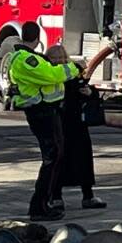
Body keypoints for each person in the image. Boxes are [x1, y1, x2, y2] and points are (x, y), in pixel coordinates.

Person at [5, 22, 79, 221]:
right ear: (37, 38)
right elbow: (51, 75)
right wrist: (73, 67)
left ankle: (42, 203)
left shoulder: (27, 58)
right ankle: (39, 207)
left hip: (45, 111)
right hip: (41, 112)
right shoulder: (27, 59)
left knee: (54, 157)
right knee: (51, 157)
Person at [46, 45, 106, 210]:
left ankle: (88, 195)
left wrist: (89, 92)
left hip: (77, 123)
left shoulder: (73, 74)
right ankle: (56, 196)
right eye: (55, 58)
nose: (58, 61)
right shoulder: (47, 75)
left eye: (61, 58)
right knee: (59, 159)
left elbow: (87, 91)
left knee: (83, 159)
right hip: (59, 122)